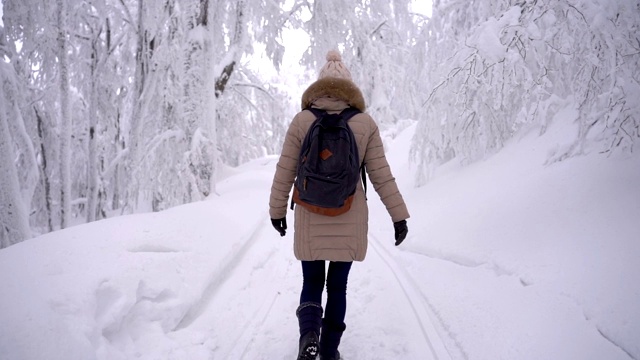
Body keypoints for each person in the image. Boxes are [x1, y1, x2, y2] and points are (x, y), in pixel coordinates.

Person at [269, 50, 410, 360]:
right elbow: (381, 176)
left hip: (309, 211)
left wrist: (277, 211)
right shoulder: (365, 123)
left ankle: (309, 336)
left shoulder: (302, 121)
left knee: (311, 281)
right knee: (338, 287)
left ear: (320, 84)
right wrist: (398, 217)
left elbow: (285, 170)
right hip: (349, 214)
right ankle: (330, 352)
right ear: (349, 87)